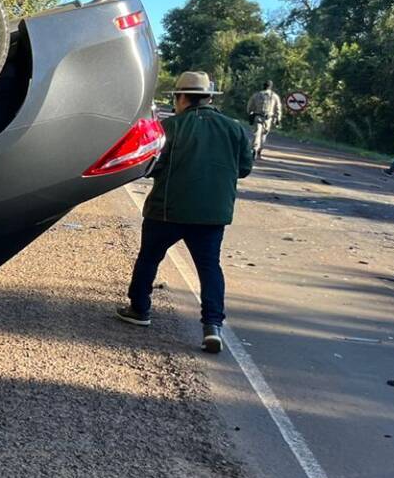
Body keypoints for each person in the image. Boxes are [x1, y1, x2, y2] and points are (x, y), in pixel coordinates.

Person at [116, 70, 253, 353]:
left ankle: (140, 309)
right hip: (212, 215)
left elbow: (151, 165)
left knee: (149, 258)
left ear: (181, 98)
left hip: (167, 210)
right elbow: (244, 169)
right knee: (209, 267)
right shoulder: (235, 129)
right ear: (208, 98)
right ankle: (212, 326)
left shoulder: (170, 128)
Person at [246, 80, 283, 159]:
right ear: (271, 86)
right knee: (263, 135)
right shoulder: (274, 96)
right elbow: (278, 108)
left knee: (257, 134)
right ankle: (259, 150)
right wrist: (278, 119)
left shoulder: (256, 95)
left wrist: (250, 113)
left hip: (258, 116)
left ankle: (255, 149)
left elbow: (249, 106)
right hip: (268, 118)